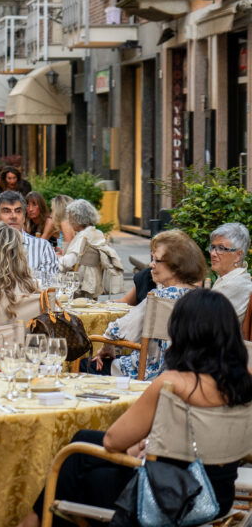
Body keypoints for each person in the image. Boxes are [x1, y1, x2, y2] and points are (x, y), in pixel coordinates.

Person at [21, 288, 252, 527]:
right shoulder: (245, 381)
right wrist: (154, 444)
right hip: (219, 494)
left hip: (169, 497)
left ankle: (32, 522)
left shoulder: (173, 384)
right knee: (82, 439)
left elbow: (113, 441)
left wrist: (142, 447)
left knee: (73, 466)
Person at [90, 229, 206, 379]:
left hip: (147, 372)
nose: (151, 264)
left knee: (86, 363)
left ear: (176, 265)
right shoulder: (201, 296)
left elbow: (116, 331)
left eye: (157, 260)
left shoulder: (160, 297)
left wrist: (106, 348)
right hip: (185, 374)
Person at [58, 199, 123, 297]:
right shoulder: (97, 233)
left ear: (77, 218)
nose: (69, 221)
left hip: (81, 282)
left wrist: (55, 258)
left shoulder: (83, 236)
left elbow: (68, 262)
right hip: (94, 279)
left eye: (71, 217)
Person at [0, 192, 59, 274]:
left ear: (24, 217)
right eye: (6, 211)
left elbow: (49, 283)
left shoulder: (42, 247)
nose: (13, 216)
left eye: (18, 211)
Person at [209, 223, 252, 323]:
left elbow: (204, 323)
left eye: (221, 248)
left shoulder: (235, 285)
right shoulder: (230, 279)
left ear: (238, 255)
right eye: (213, 247)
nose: (213, 253)